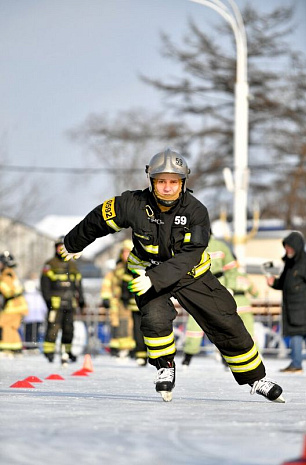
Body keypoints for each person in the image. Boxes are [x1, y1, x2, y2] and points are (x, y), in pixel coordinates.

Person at [60, 148, 284, 403]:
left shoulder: (196, 211)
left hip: (191, 275)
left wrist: (156, 279)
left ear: (183, 183)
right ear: (151, 181)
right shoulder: (131, 204)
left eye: (173, 182)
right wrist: (72, 243)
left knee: (226, 320)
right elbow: (97, 220)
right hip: (146, 270)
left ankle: (255, 378)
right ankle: (164, 367)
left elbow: (191, 254)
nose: (167, 188)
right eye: (161, 181)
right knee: (155, 319)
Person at [182, 233, 238, 366]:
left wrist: (230, 287)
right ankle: (188, 355)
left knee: (221, 322)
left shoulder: (221, 246)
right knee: (194, 323)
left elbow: (231, 269)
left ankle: (227, 357)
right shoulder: (191, 243)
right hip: (197, 285)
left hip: (217, 284)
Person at [266, 231, 306, 373]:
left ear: (297, 246)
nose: (287, 250)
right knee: (298, 334)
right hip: (292, 309)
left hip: (304, 309)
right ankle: (296, 364)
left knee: (301, 334)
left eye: (290, 247)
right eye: (286, 247)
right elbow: (284, 284)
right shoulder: (290, 264)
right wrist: (273, 282)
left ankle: (296, 364)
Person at [101, 239, 147, 364]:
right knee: (120, 326)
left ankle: (135, 351)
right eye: (124, 252)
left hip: (135, 302)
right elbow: (108, 283)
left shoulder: (138, 266)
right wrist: (106, 297)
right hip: (119, 303)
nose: (126, 254)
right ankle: (120, 350)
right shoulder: (118, 268)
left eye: (129, 252)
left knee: (135, 327)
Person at [40, 236, 85, 365]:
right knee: (53, 328)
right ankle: (49, 352)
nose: (61, 249)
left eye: (63, 247)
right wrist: (48, 300)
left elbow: (78, 283)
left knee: (69, 329)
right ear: (55, 248)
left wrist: (81, 299)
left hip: (70, 303)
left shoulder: (72, 265)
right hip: (55, 303)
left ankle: (67, 352)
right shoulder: (50, 264)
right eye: (59, 247)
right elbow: (44, 285)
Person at [0, 251, 28, 356]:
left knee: (4, 324)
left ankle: (6, 349)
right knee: (12, 327)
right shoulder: (11, 273)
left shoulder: (6, 274)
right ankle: (16, 348)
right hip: (18, 305)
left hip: (14, 306)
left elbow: (7, 291)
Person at [23, 273, 48, 351]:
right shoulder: (38, 295)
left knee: (29, 332)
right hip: (38, 318)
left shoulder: (25, 296)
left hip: (28, 318)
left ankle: (29, 346)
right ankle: (34, 346)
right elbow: (43, 307)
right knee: (35, 333)